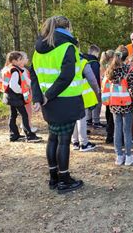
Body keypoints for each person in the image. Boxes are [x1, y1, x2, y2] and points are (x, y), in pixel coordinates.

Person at [31, 15, 85, 194]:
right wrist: (48, 95)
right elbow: (67, 76)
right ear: (67, 27)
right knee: (63, 141)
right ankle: (64, 180)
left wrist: (39, 98)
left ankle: (54, 177)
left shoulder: (38, 50)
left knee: (53, 138)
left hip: (49, 104)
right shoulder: (68, 47)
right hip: (65, 101)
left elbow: (34, 75)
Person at [103, 45, 133, 166]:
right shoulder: (129, 70)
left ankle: (119, 156)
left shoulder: (110, 69)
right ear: (126, 57)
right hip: (127, 105)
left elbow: (105, 86)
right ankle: (128, 156)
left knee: (117, 130)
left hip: (114, 104)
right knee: (127, 131)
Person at [0, 51, 41, 142]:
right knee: (24, 115)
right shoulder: (15, 71)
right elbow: (14, 85)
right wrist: (22, 91)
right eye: (20, 59)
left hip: (9, 96)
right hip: (15, 97)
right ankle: (30, 136)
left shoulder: (8, 68)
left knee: (13, 115)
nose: (21, 61)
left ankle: (14, 135)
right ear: (14, 61)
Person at [72, 54, 100, 152]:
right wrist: (97, 90)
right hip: (81, 94)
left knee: (74, 118)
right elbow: (92, 80)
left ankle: (75, 142)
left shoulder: (64, 59)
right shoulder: (83, 62)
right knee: (81, 119)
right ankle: (83, 143)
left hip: (69, 93)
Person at [83, 44, 104, 129]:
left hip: (85, 87)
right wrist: (98, 88)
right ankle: (96, 121)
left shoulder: (84, 60)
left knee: (88, 103)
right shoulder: (94, 62)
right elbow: (95, 76)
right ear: (95, 52)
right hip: (93, 85)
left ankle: (88, 120)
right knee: (97, 103)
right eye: (98, 53)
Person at [20, 51, 38, 133]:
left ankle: (24, 124)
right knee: (28, 111)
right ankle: (28, 127)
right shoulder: (22, 70)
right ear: (21, 59)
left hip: (25, 93)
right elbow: (28, 82)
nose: (27, 59)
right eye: (26, 58)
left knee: (26, 111)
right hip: (25, 94)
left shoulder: (23, 69)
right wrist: (34, 86)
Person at [100, 49, 115, 144]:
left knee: (108, 114)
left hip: (106, 95)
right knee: (112, 118)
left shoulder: (103, 66)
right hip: (112, 95)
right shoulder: (111, 68)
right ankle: (110, 136)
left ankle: (109, 135)